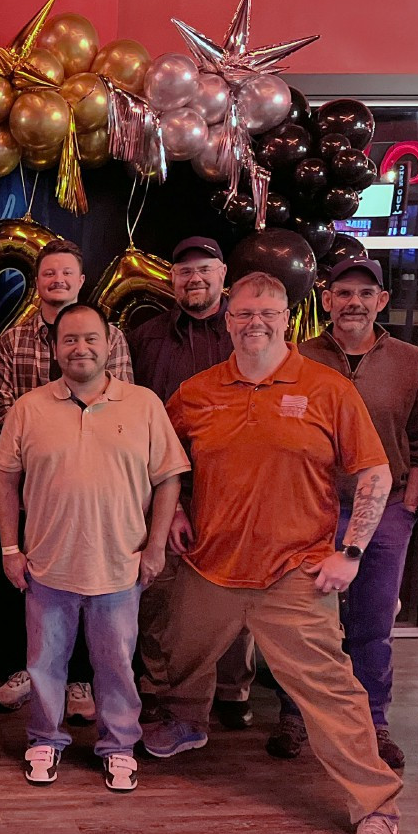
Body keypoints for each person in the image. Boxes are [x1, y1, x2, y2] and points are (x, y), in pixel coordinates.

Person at [145, 272, 405, 834]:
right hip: (209, 565)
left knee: (332, 694)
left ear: (288, 316)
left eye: (267, 312)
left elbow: (374, 474)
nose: (253, 322)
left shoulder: (326, 388)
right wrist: (178, 509)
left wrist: (352, 550)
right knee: (177, 652)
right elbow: (159, 461)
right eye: (242, 313)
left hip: (294, 573)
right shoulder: (197, 391)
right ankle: (187, 721)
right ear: (227, 319)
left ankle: (376, 810)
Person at [0, 303, 187, 792]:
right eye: (69, 339)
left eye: (90, 338)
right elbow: (5, 480)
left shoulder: (143, 404)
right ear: (54, 347)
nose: (80, 348)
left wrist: (156, 547)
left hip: (120, 566)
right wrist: (9, 548)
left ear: (109, 344)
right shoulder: (28, 408)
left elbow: (168, 480)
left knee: (117, 666)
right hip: (47, 565)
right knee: (43, 663)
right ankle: (44, 738)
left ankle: (118, 745)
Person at [265, 257, 418, 769]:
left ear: (381, 301)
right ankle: (295, 715)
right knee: (304, 624)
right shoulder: (298, 359)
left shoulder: (410, 362)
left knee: (372, 622)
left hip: (384, 512)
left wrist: (407, 504)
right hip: (311, 510)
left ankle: (374, 723)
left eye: (366, 294)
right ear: (326, 299)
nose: (354, 303)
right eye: (344, 293)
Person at [0, 239, 136, 721]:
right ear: (38, 280)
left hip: (96, 488)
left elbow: (126, 403)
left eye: (66, 273)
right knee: (29, 583)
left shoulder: (109, 337)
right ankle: (31, 673)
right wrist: (43, 451)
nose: (58, 281)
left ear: (81, 278)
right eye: (49, 274)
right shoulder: (12, 339)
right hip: (33, 482)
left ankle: (79, 682)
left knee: (92, 584)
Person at [125, 237, 253, 731]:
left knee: (239, 589)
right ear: (171, 280)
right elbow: (137, 417)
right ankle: (160, 686)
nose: (194, 279)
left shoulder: (247, 332)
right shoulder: (146, 336)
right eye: (184, 272)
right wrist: (170, 502)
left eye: (204, 269)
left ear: (223, 275)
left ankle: (232, 687)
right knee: (162, 591)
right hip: (166, 488)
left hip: (237, 490)